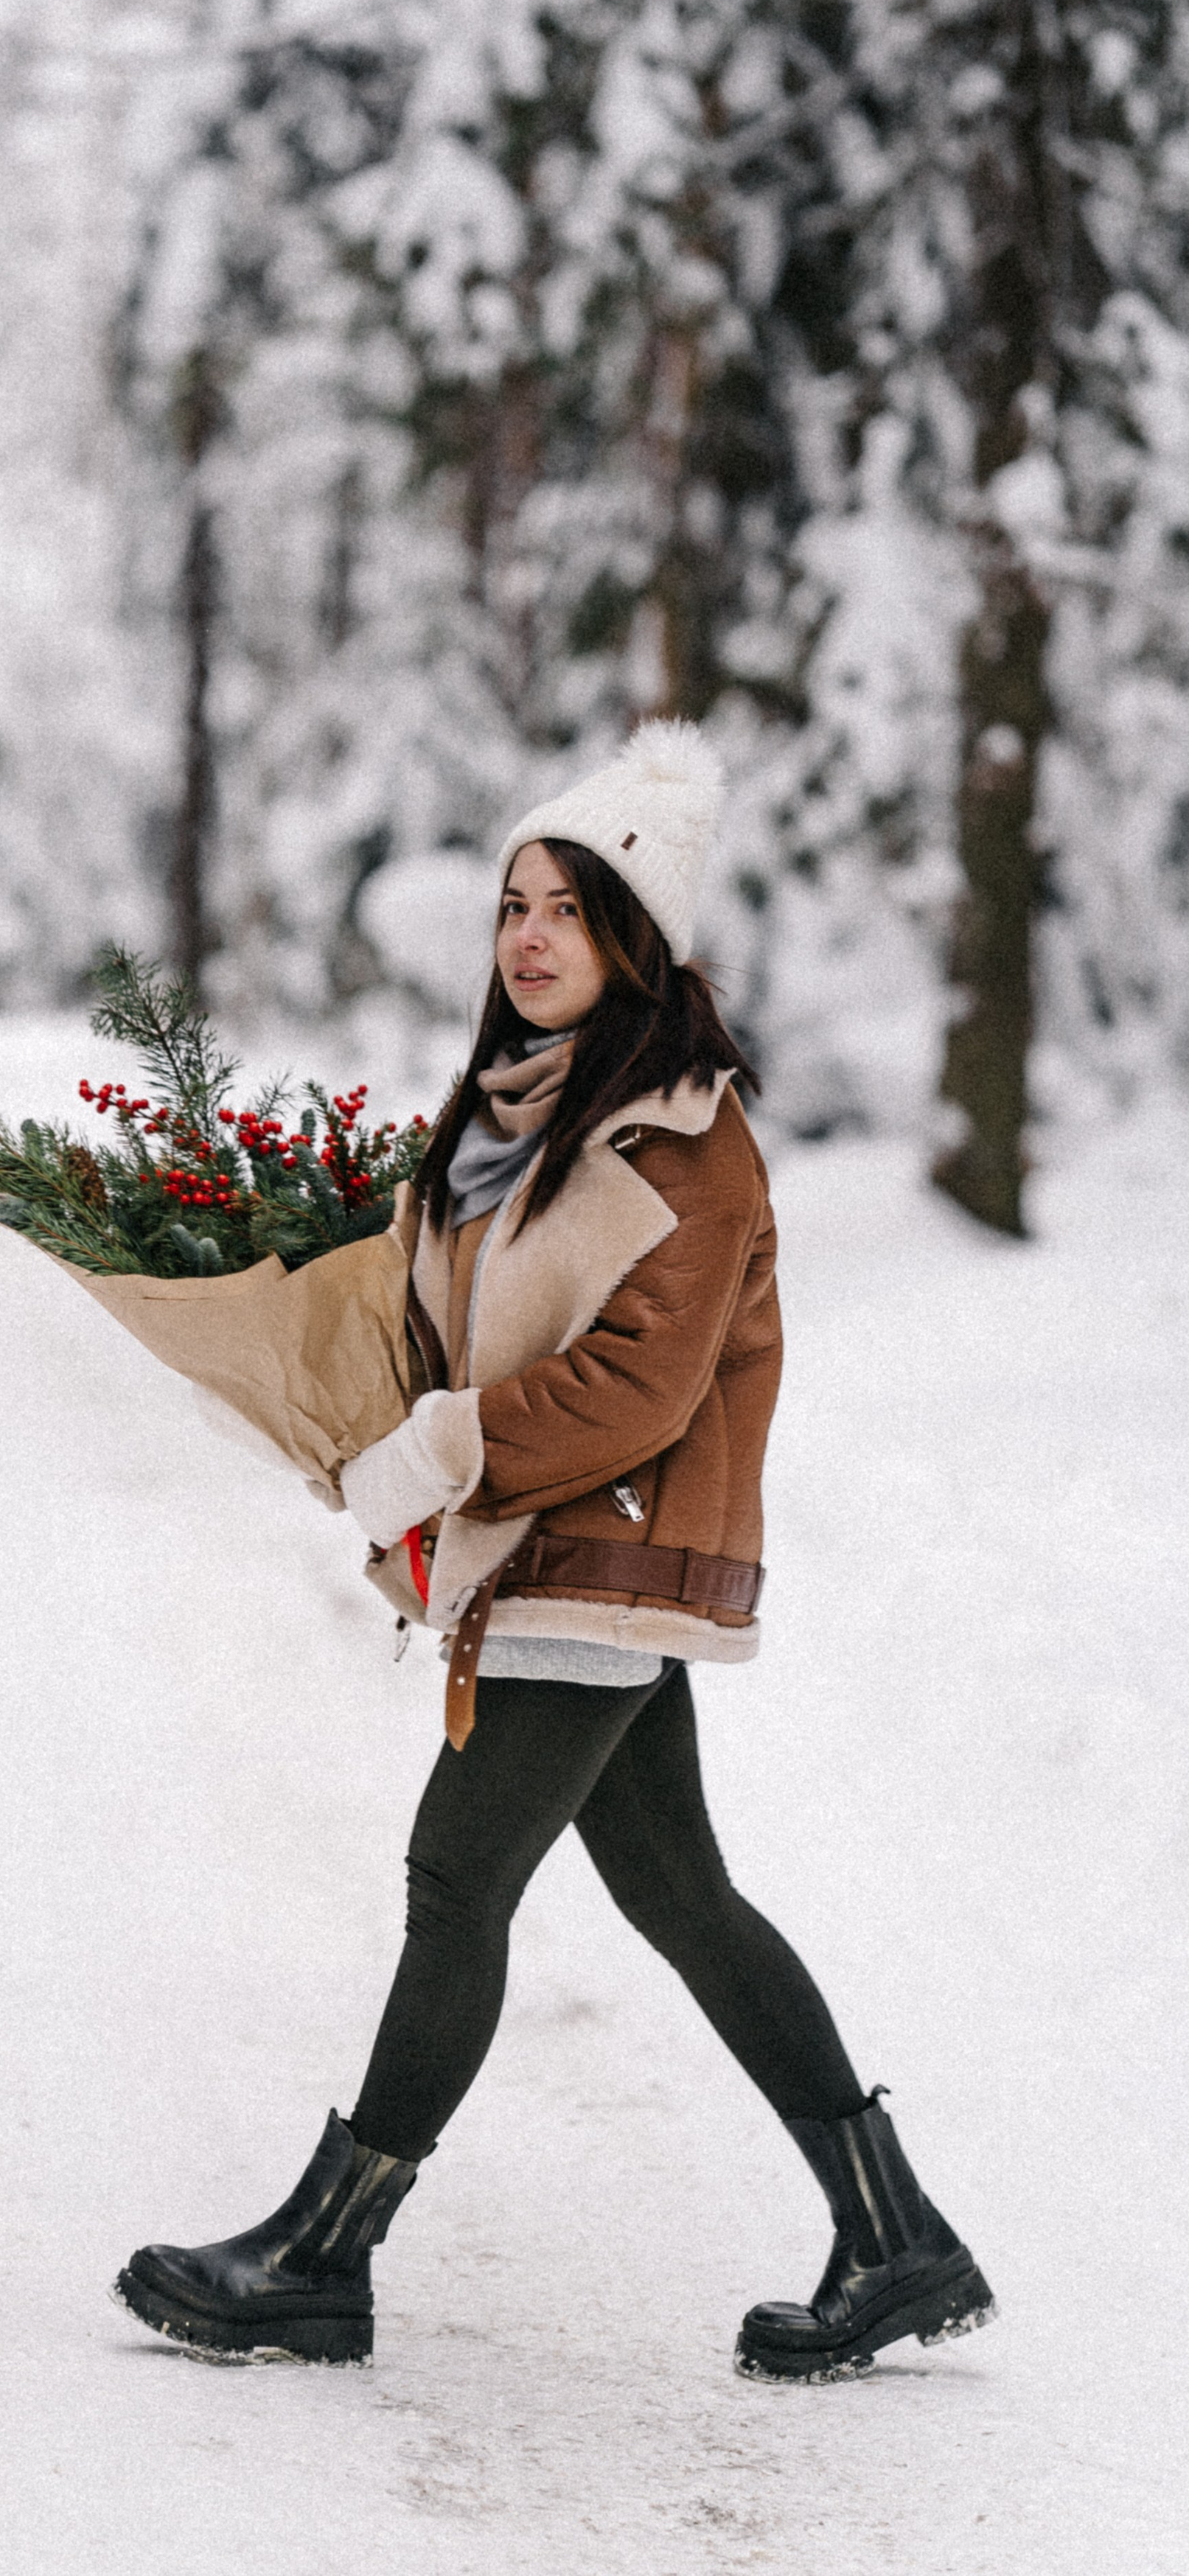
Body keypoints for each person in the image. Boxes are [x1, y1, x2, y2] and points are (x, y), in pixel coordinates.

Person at [114, 719, 995, 2383]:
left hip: (609, 1549)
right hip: (551, 1554)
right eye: (512, 904)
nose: (525, 937)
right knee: (679, 1891)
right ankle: (894, 2234)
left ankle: (323, 2254)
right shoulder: (515, 1116)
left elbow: (632, 1386)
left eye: (567, 911)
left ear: (633, 940)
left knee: (456, 1880)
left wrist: (442, 1449)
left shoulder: (684, 1140)